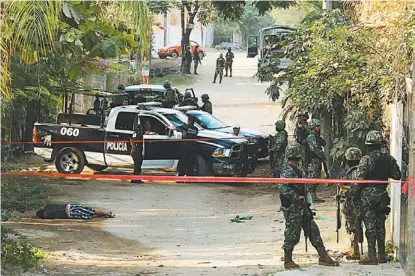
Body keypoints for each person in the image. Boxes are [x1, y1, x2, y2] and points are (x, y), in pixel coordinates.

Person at [278, 142, 339, 269]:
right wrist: (296, 197)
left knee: (312, 230)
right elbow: (283, 188)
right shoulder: (287, 170)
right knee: (292, 233)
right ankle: (288, 260)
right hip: (293, 207)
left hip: (302, 206)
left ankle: (323, 256)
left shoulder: (295, 169)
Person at [351, 130, 401, 265]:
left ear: (368, 145)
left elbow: (359, 180)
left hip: (367, 196)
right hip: (382, 195)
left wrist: (353, 195)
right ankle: (382, 254)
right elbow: (397, 175)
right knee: (380, 225)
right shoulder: (389, 159)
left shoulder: (366, 160)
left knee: (370, 225)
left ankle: (372, 255)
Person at [338, 147, 363, 260]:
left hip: (351, 202)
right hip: (358, 202)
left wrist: (343, 187)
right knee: (354, 225)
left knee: (352, 225)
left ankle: (355, 250)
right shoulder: (361, 171)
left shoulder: (352, 172)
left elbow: (353, 188)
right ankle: (354, 248)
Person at [306, 119, 326, 203]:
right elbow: (314, 148)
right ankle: (311, 197)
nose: (319, 128)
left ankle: (313, 196)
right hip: (313, 160)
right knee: (312, 177)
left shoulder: (315, 136)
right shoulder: (311, 136)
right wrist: (321, 155)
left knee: (316, 177)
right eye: (317, 126)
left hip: (316, 160)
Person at [36, 203, 115, 219]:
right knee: (90, 212)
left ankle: (107, 213)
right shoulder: (48, 206)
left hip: (70, 213)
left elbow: (46, 215)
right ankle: (106, 214)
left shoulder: (46, 214)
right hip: (70, 207)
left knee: (90, 214)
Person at [130, 116, 144, 184]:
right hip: (137, 150)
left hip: (134, 150)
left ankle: (135, 178)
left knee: (136, 166)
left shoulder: (134, 134)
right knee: (137, 166)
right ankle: (136, 179)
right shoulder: (139, 134)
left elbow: (131, 140)